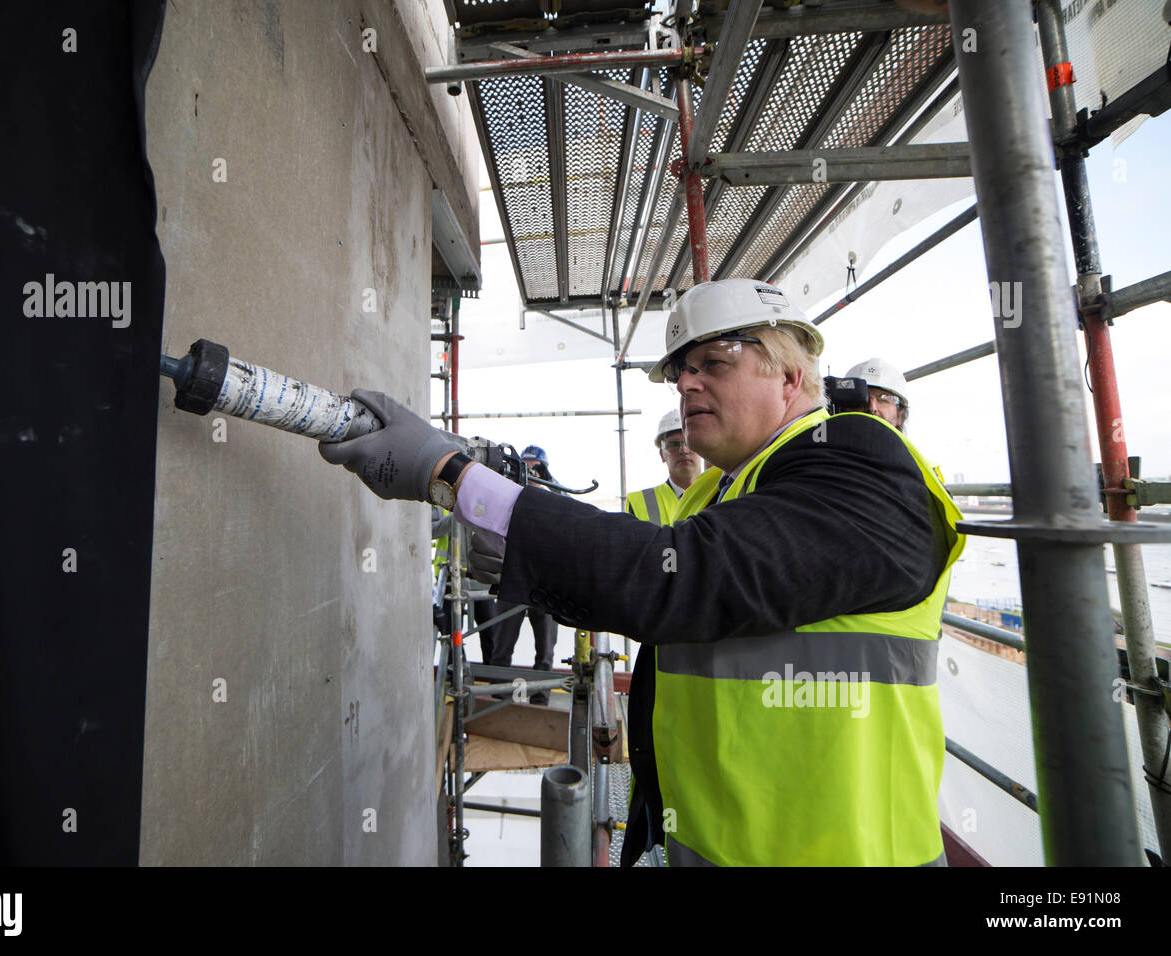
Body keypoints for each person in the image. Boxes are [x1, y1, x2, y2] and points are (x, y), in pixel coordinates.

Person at [319, 277, 965, 866]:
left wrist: (452, 476)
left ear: (791, 377)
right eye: (681, 371)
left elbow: (669, 580)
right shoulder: (719, 492)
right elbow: (622, 570)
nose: (686, 384)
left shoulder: (862, 466)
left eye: (714, 363)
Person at [474, 445, 559, 704]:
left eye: (537, 468)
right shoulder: (510, 498)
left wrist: (551, 481)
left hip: (547, 585)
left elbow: (571, 508)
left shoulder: (555, 502)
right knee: (502, 645)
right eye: (528, 467)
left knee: (544, 650)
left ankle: (540, 700)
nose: (532, 473)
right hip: (513, 581)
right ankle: (498, 697)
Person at [625, 408, 701, 526]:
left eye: (688, 442)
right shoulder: (641, 502)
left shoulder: (720, 494)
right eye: (674, 444)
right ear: (662, 455)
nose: (683, 450)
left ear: (702, 449)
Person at [844, 356, 910, 432]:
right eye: (863, 397)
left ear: (900, 415)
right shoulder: (827, 438)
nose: (872, 407)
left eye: (883, 399)